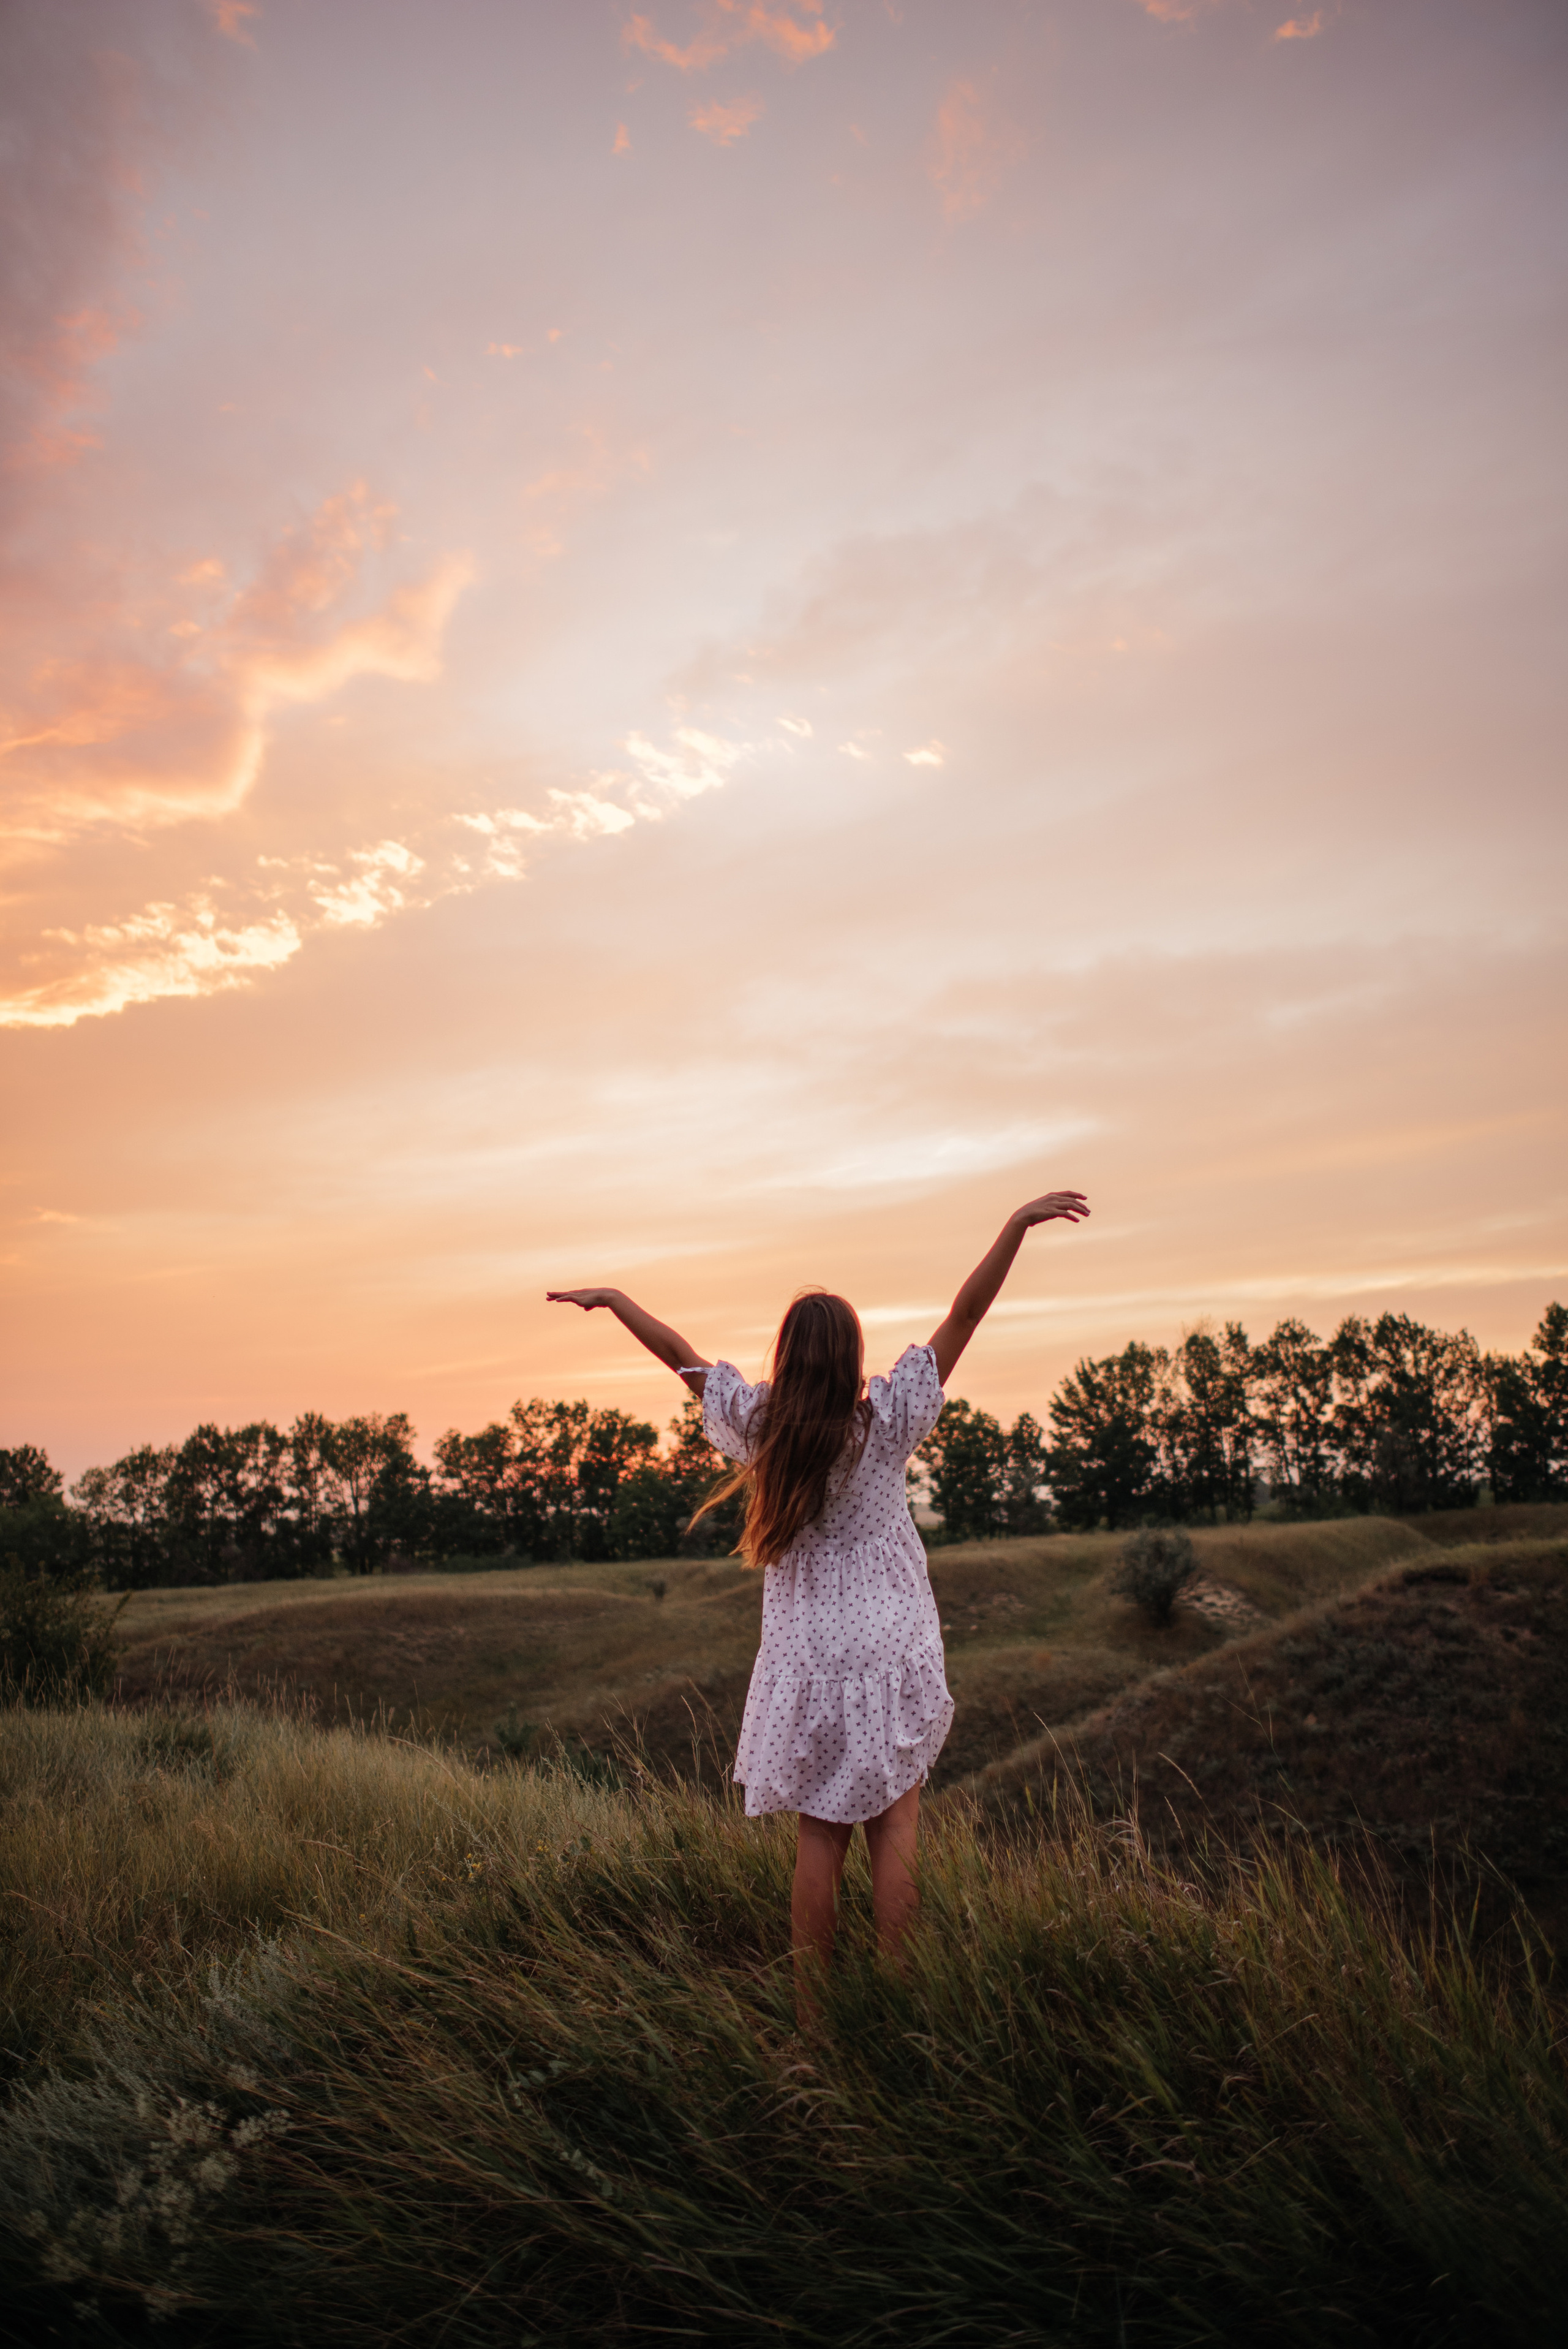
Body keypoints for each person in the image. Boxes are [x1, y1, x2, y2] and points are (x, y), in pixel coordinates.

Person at [547, 1186, 1089, 2019]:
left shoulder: (763, 1428)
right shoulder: (887, 1422)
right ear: (850, 1358)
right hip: (888, 1648)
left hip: (809, 1659)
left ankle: (814, 2020)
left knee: (817, 1843)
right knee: (898, 1835)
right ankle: (899, 2008)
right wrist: (1015, 1225)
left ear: (788, 1357)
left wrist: (617, 1300)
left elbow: (680, 1357)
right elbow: (966, 1314)